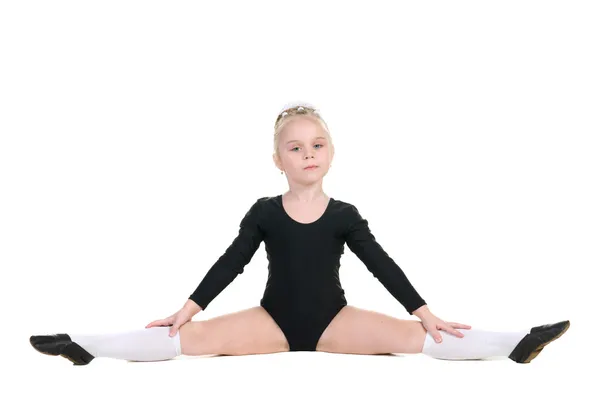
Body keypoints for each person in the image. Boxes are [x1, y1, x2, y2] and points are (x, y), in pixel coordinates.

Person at [30, 102, 570, 366]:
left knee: (425, 339)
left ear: (331, 154)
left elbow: (381, 264)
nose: (308, 154)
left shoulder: (345, 214)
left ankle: (518, 342)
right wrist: (187, 308)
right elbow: (230, 262)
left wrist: (422, 309)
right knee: (182, 341)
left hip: (336, 322)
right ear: (277, 160)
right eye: (296, 147)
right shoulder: (265, 210)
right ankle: (84, 345)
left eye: (317, 145)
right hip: (270, 322)